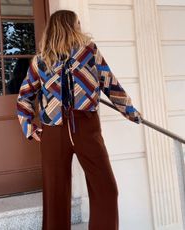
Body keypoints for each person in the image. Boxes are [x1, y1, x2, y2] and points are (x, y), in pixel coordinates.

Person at [16, 9, 142, 230]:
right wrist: (29, 127)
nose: (80, 26)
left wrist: (130, 112)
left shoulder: (89, 53)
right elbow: (25, 95)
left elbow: (109, 85)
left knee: (105, 188)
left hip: (85, 127)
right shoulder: (42, 60)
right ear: (70, 26)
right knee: (56, 195)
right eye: (78, 23)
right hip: (54, 130)